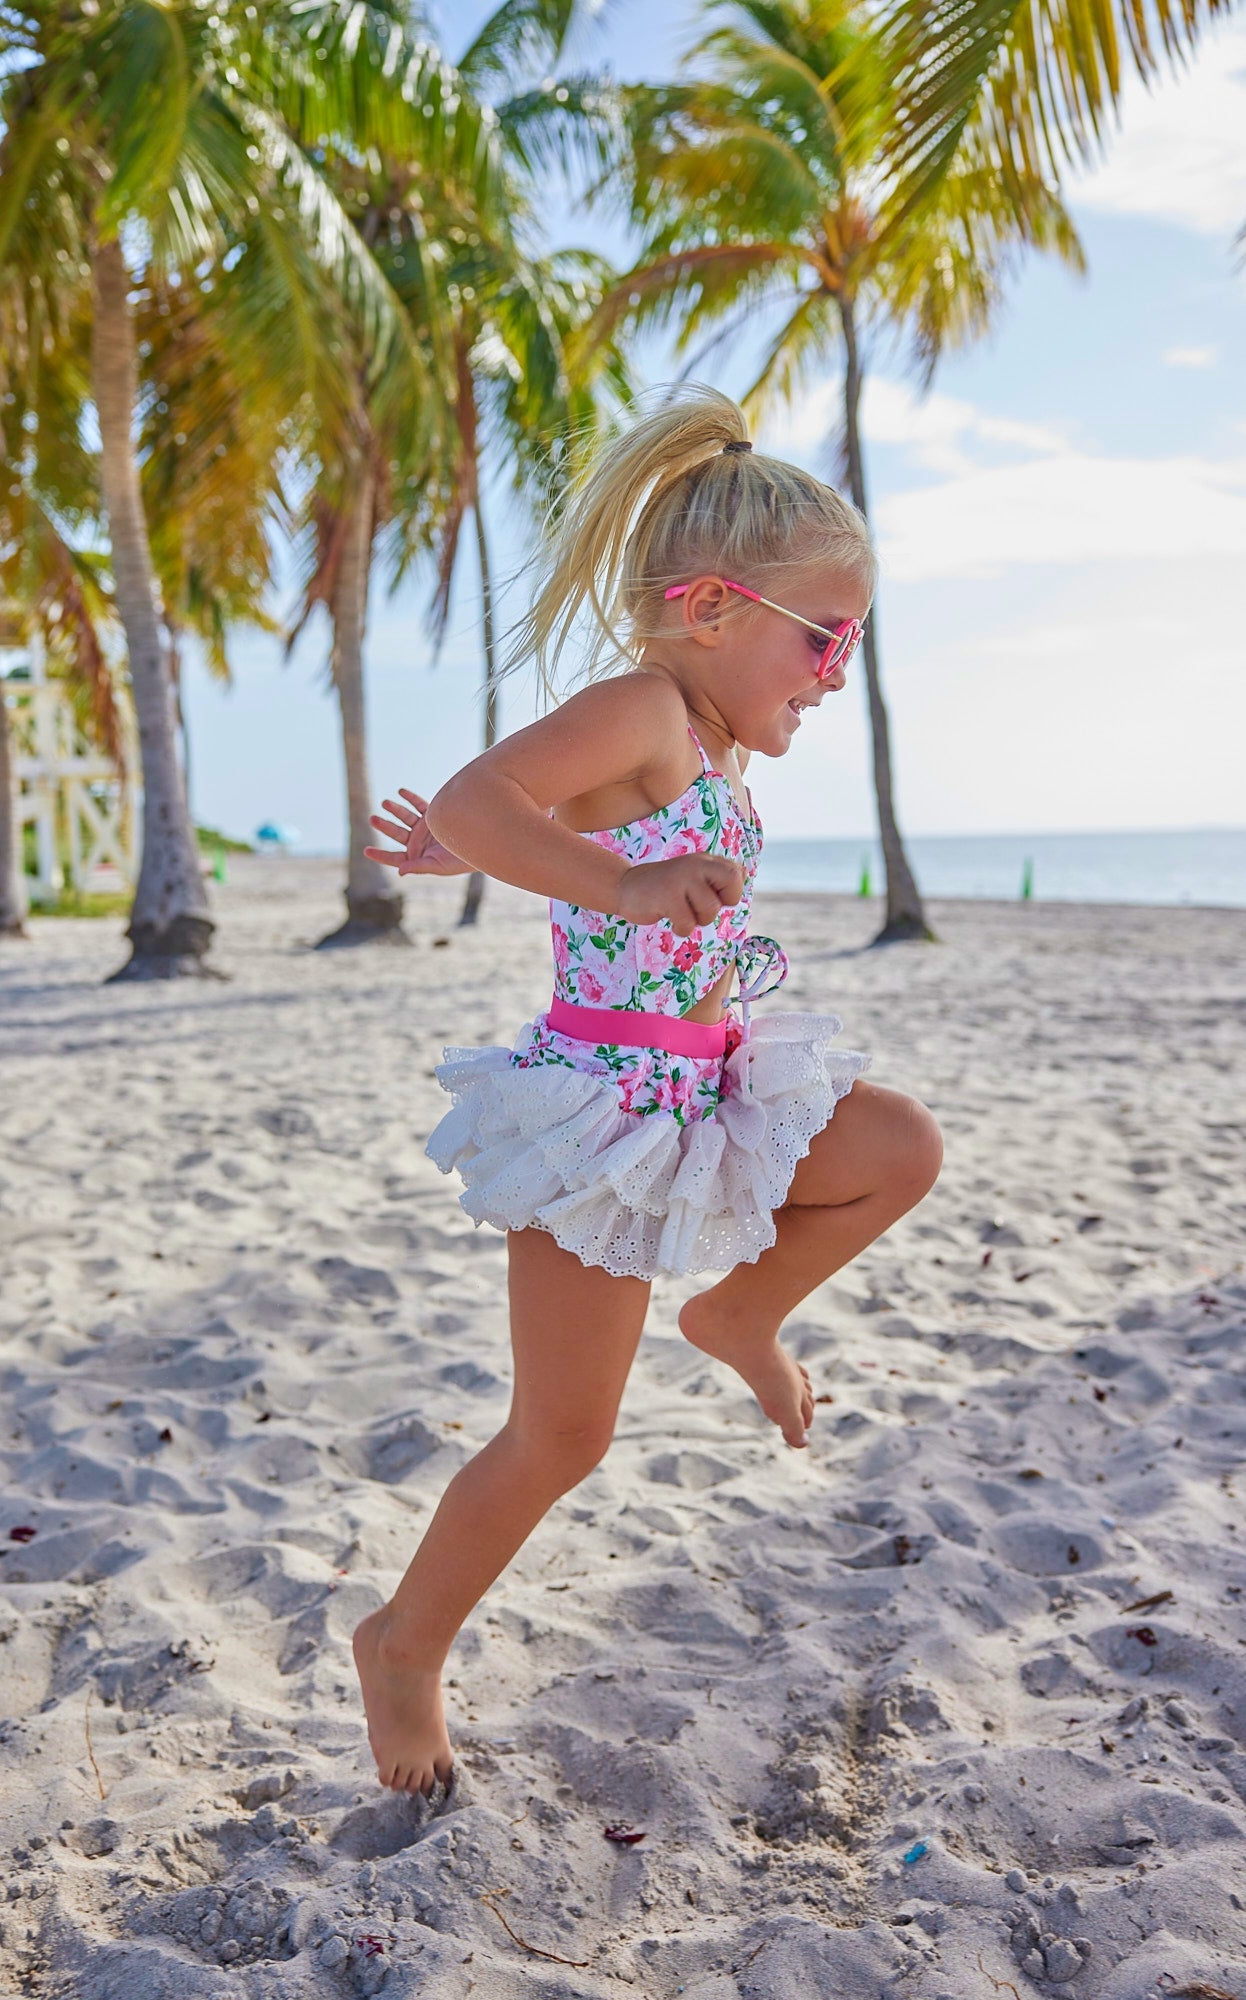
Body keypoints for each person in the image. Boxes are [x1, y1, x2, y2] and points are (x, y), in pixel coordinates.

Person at [353, 385, 943, 1795]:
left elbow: (530, 819)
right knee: (563, 1434)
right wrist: (590, 870)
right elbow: (477, 795)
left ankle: (739, 1308)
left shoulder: (714, 748)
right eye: (823, 638)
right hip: (599, 1120)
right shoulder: (641, 705)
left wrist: (543, 843)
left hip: (707, 1088)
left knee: (895, 1145)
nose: (832, 670)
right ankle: (403, 1645)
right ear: (710, 610)